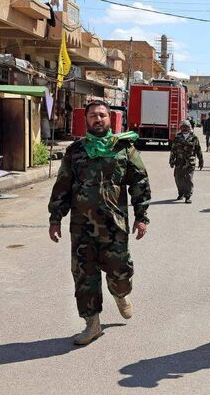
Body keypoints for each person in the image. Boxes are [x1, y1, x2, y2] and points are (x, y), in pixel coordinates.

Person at [48, 100, 151, 345]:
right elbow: (63, 185)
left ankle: (120, 294)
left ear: (109, 119)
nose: (98, 119)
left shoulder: (123, 148)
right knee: (84, 276)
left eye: (102, 115)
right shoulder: (75, 151)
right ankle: (92, 324)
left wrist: (141, 217)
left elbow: (140, 182)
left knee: (120, 274)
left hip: (114, 226)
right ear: (86, 120)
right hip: (81, 227)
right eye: (93, 115)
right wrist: (55, 218)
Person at [169, 120, 204, 203]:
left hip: (190, 162)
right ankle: (181, 193)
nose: (184, 128)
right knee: (178, 178)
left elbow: (198, 150)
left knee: (189, 178)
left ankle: (188, 196)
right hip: (179, 162)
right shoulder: (177, 137)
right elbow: (173, 150)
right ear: (180, 128)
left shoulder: (194, 138)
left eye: (186, 127)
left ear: (189, 127)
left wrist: (201, 161)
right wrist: (171, 160)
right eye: (183, 127)